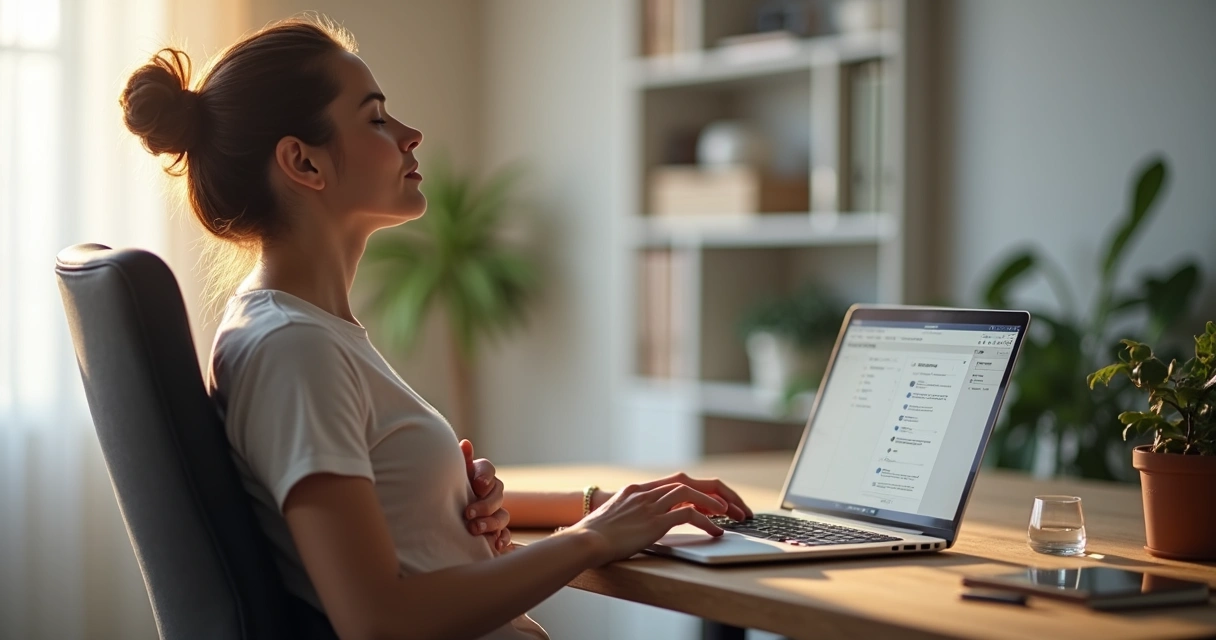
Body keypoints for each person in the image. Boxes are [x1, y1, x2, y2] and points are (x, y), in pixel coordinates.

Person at [119, 16, 754, 640]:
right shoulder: (294, 348)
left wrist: (604, 505)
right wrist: (592, 539)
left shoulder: (306, 331)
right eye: (374, 117)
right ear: (304, 164)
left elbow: (379, 515)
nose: (410, 133)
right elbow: (378, 620)